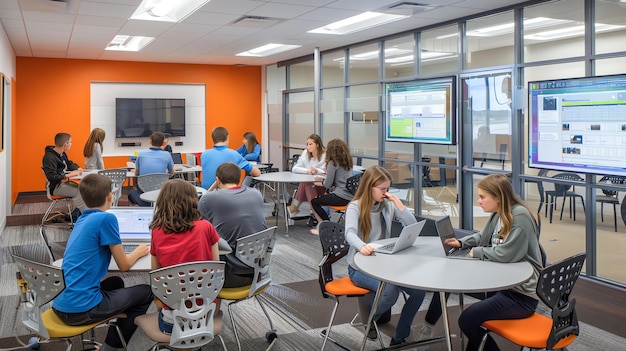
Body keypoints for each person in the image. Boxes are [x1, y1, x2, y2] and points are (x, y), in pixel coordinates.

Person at [51, 173, 152, 351]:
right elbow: (124, 265)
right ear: (110, 196)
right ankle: (110, 348)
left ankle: (115, 326)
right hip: (81, 309)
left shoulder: (82, 219)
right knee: (146, 292)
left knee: (116, 282)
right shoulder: (107, 218)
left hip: (61, 304)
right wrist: (138, 251)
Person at [446, 173, 543, 351]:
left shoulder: (519, 216)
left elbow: (507, 254)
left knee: (467, 320)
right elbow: (484, 236)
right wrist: (462, 243)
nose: (478, 201)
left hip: (521, 296)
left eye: (482, 197)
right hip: (505, 286)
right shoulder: (500, 213)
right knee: (474, 319)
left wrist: (477, 252)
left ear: (498, 197)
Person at [345, 166, 426, 344]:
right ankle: (370, 319)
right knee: (390, 291)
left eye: (388, 189)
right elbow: (349, 233)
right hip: (359, 266)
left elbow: (412, 226)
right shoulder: (355, 207)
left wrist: (399, 205)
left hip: (385, 263)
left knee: (419, 292)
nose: (385, 193)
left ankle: (400, 335)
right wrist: (361, 246)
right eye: (382, 189)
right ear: (369, 187)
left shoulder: (388, 204)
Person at [149, 178, 221, 335]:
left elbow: (155, 275)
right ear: (193, 201)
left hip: (171, 323)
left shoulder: (157, 232)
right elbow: (217, 268)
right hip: (204, 317)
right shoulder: (206, 227)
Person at [198, 162, 267, 288]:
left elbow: (200, 226)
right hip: (259, 270)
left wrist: (215, 184)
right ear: (239, 178)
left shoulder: (209, 199)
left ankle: (211, 307)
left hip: (229, 275)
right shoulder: (256, 194)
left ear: (218, 180)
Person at [309, 138, 354, 235]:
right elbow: (341, 178)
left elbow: (327, 184)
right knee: (324, 197)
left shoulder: (332, 163)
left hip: (340, 196)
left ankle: (327, 226)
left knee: (314, 202)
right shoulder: (348, 162)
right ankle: (326, 225)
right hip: (351, 197)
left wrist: (321, 180)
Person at [42, 132, 87, 218]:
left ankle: (79, 215)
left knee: (84, 188)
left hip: (63, 183)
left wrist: (77, 168)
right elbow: (52, 177)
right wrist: (69, 175)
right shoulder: (49, 158)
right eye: (71, 142)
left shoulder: (61, 153)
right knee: (80, 192)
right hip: (56, 187)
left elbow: (68, 163)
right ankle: (86, 217)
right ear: (65, 144)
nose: (71, 144)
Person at [128, 131, 174, 206]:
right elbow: (171, 173)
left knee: (132, 194)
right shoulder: (167, 155)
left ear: (150, 142)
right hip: (160, 191)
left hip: (143, 191)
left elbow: (137, 173)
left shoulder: (141, 154)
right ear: (163, 143)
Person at [287, 134, 326, 219]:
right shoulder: (305, 153)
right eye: (307, 144)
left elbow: (325, 171)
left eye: (310, 144)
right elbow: (295, 168)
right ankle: (314, 211)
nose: (308, 147)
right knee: (307, 184)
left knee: (306, 184)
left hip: (321, 185)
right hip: (310, 184)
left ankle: (295, 207)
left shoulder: (325, 155)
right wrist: (307, 171)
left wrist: (316, 171)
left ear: (317, 145)